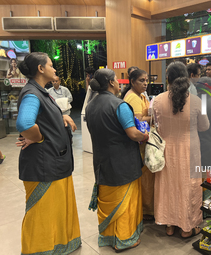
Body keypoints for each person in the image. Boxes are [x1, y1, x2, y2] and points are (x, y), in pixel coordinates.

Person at [15, 52, 80, 254]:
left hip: (54, 163)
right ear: (41, 69)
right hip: (43, 166)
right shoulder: (32, 94)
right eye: (51, 65)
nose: (54, 69)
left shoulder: (41, 92)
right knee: (42, 214)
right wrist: (38, 137)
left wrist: (62, 118)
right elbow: (25, 123)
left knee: (56, 210)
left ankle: (60, 246)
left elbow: (44, 117)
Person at [85, 68, 147, 252]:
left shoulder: (90, 105)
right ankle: (124, 239)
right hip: (123, 163)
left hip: (102, 161)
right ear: (111, 83)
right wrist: (146, 136)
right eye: (117, 80)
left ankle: (108, 237)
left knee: (108, 197)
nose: (119, 83)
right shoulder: (119, 105)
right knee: (124, 201)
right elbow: (133, 134)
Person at [153, 61, 209, 238]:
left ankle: (169, 225)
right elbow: (205, 126)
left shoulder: (158, 100)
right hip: (189, 150)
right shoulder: (196, 101)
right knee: (189, 186)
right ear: (186, 78)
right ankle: (187, 228)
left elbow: (157, 125)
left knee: (168, 186)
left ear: (168, 78)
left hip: (167, 149)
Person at [121, 69, 154, 221]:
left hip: (143, 141)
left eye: (146, 80)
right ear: (132, 82)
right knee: (145, 177)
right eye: (141, 80)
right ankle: (146, 209)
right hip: (140, 142)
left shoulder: (139, 95)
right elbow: (139, 121)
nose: (145, 83)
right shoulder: (133, 98)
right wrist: (154, 116)